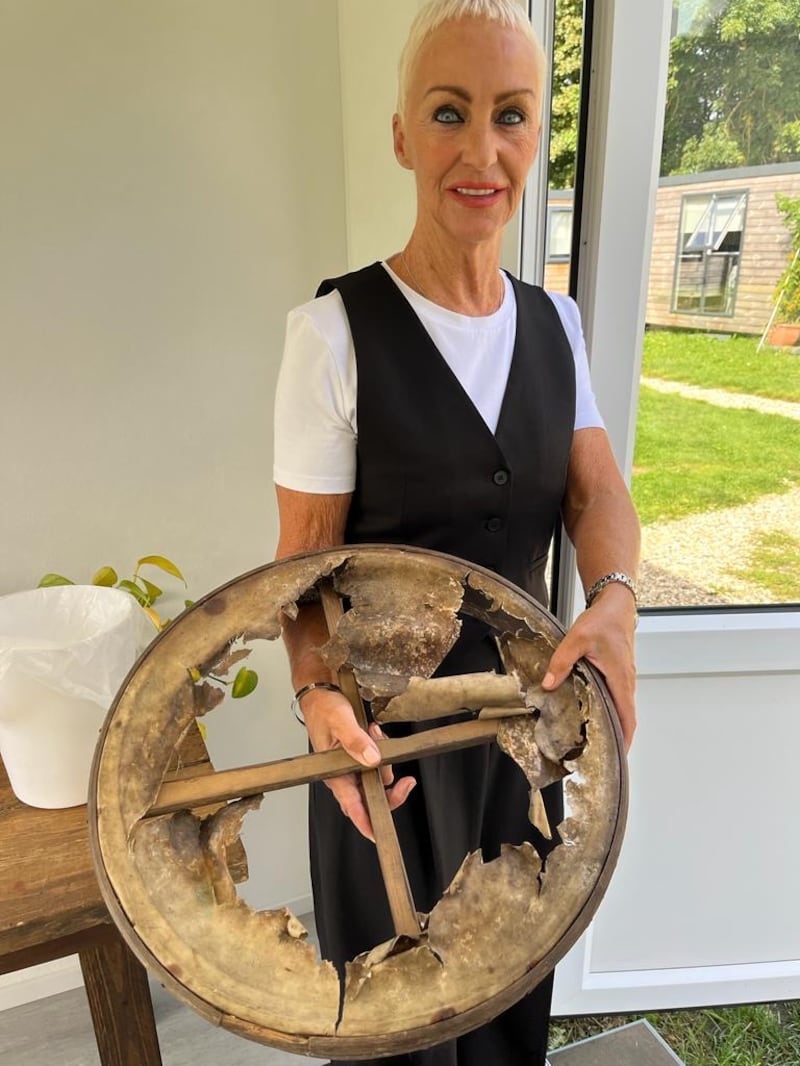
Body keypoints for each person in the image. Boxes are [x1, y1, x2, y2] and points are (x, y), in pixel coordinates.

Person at [273, 1, 640, 1062]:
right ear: (400, 135)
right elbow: (298, 576)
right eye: (448, 114)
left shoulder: (555, 324)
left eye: (511, 116)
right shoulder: (332, 335)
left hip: (525, 741)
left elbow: (593, 491)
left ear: (535, 137)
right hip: (384, 761)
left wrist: (612, 599)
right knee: (398, 1027)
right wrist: (313, 704)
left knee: (512, 1005)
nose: (481, 150)